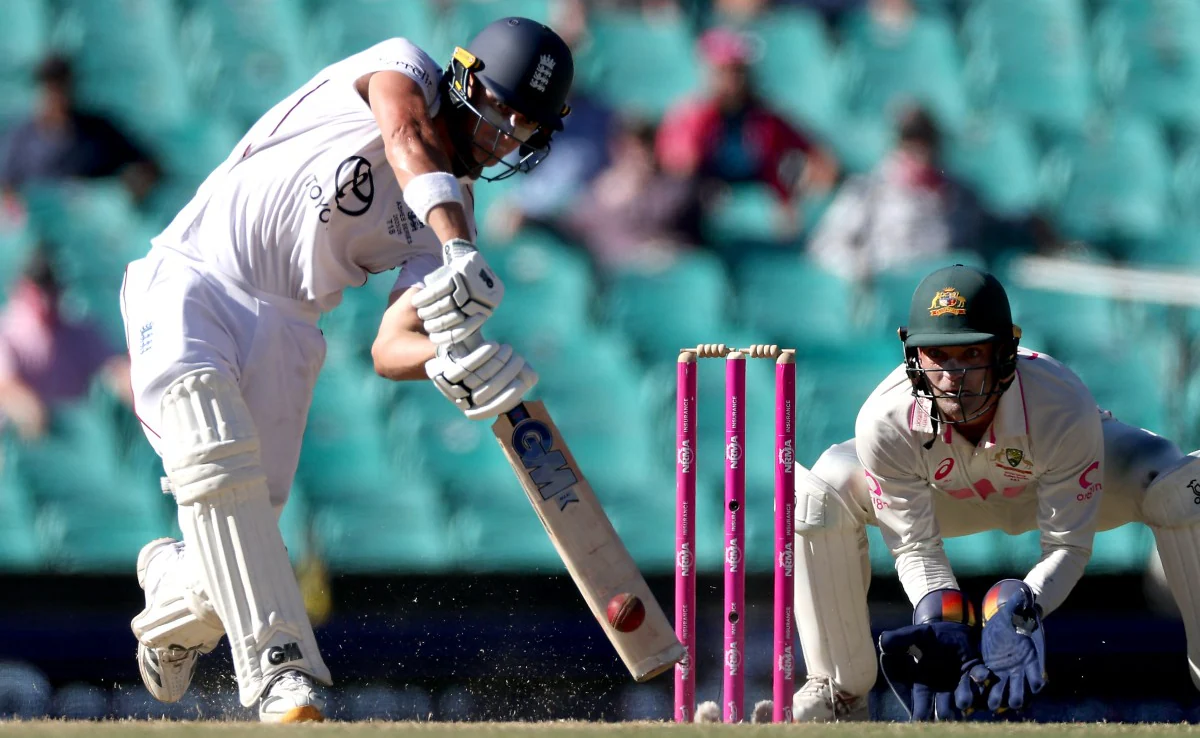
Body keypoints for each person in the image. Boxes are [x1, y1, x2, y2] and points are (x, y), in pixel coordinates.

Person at [120, 18, 573, 723]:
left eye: (523, 130)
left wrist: (448, 357)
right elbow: (405, 139)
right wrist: (457, 246)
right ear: (463, 78)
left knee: (230, 553)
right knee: (215, 464)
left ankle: (169, 590)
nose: (503, 138)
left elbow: (390, 347)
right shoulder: (402, 69)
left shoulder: (452, 216)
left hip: (289, 328)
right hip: (194, 278)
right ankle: (283, 676)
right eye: (498, 113)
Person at [789, 264, 1200, 721]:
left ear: (1006, 352)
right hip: (950, 498)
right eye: (938, 355)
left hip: (1074, 485)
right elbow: (913, 546)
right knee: (817, 495)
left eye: (969, 354)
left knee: (1181, 487)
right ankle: (838, 692)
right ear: (913, 354)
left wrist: (1023, 608)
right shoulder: (884, 419)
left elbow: (1068, 545)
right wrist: (938, 613)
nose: (953, 375)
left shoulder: (1060, 403)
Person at [656, 27, 838, 236]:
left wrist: (797, 186)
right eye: (727, 71)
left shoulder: (766, 119)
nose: (735, 79)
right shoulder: (689, 117)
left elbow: (818, 157)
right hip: (701, 211)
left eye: (740, 70)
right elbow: (679, 165)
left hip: (759, 205)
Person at [0, 250, 131, 441]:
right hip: (24, 442)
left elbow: (116, 370)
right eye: (40, 288)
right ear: (23, 288)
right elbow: (6, 388)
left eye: (51, 287)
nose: (46, 297)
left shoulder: (78, 329)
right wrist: (34, 413)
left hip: (77, 436)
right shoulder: (7, 332)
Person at [0, 55, 160, 204]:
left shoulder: (100, 131)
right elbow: (7, 190)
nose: (57, 96)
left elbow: (147, 166)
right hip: (45, 226)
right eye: (50, 88)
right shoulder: (20, 140)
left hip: (98, 225)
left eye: (61, 86)